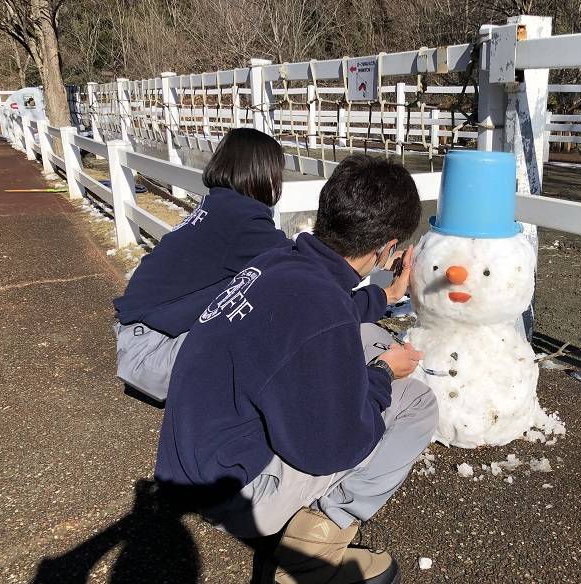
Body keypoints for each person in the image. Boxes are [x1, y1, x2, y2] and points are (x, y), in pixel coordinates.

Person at [155, 155, 438, 584]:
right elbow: (332, 446)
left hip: (191, 459)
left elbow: (331, 312)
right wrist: (381, 372)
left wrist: (386, 295)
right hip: (239, 492)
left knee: (363, 339)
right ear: (387, 248)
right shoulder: (322, 308)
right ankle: (309, 558)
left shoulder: (278, 261)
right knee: (416, 402)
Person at [113, 129, 407, 402]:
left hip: (139, 337)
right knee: (287, 326)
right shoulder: (243, 223)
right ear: (264, 175)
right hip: (152, 353)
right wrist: (386, 293)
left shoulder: (218, 207)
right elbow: (317, 291)